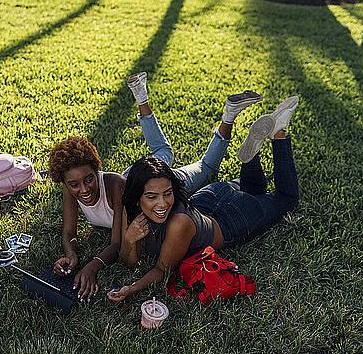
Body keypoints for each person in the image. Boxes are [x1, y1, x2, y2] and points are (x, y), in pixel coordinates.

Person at [47, 72, 263, 301]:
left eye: (88, 180)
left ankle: (228, 116)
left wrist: (93, 266)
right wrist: (71, 254)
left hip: (150, 189)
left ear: (97, 170)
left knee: (207, 168)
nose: (83, 190)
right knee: (163, 153)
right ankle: (141, 97)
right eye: (74, 185)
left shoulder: (117, 189)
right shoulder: (72, 187)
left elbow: (117, 243)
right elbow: (69, 232)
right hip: (135, 177)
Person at [108, 96, 300, 302]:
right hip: (209, 196)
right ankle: (250, 157)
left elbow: (162, 270)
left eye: (168, 193)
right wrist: (128, 239)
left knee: (287, 198)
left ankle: (279, 133)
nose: (162, 203)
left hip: (233, 219)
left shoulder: (178, 224)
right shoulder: (130, 205)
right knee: (254, 189)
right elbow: (129, 260)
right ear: (137, 198)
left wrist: (132, 288)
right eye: (152, 197)